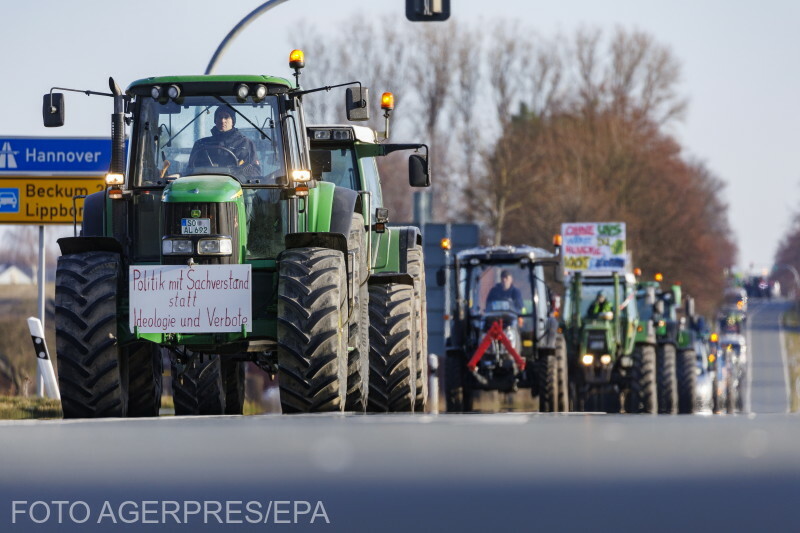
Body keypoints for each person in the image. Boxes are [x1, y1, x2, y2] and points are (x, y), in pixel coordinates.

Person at [188, 106, 260, 174]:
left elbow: (254, 170)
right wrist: (180, 174)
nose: (222, 120)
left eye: (226, 117)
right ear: (215, 121)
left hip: (237, 184)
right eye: (220, 117)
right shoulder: (201, 144)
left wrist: (237, 173)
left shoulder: (245, 143)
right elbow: (190, 169)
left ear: (233, 121)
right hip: (205, 184)